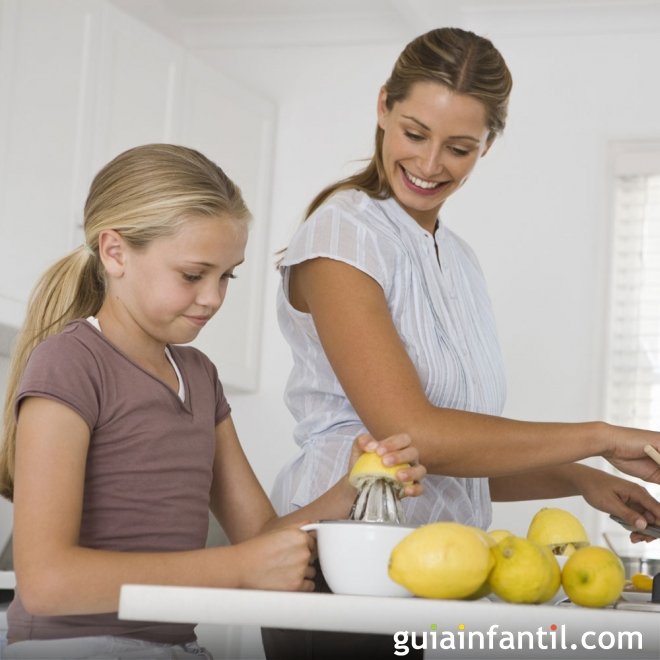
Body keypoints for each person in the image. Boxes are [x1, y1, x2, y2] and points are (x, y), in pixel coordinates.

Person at [0, 144, 425, 660]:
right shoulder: (71, 362)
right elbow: (48, 582)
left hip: (175, 646)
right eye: (192, 275)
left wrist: (352, 487)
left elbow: (263, 536)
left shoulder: (199, 378)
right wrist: (238, 567)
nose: (214, 297)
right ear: (114, 253)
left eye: (227, 275)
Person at [270, 26, 660, 540]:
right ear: (384, 107)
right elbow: (413, 436)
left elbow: (453, 458)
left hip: (442, 565)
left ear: (487, 145)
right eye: (415, 133)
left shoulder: (460, 260)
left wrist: (581, 478)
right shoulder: (343, 235)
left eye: (458, 148)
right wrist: (601, 438)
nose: (429, 165)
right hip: (338, 556)